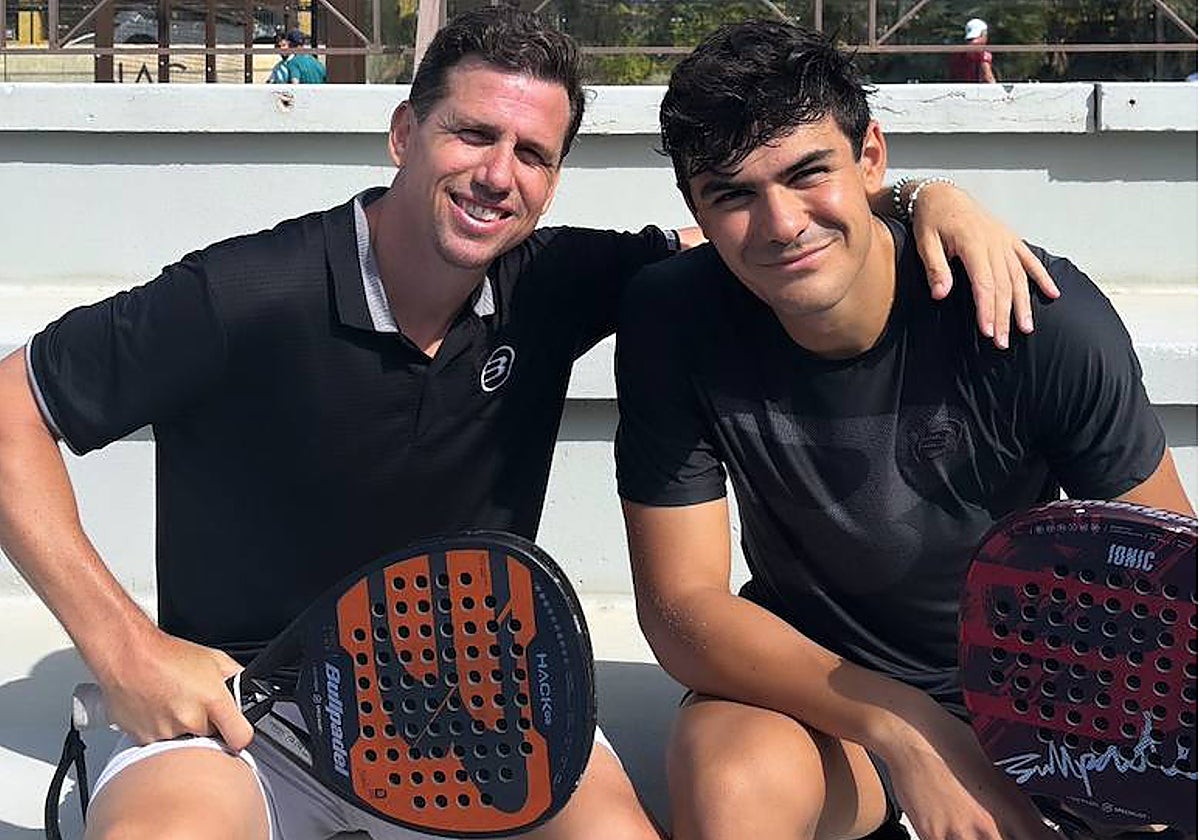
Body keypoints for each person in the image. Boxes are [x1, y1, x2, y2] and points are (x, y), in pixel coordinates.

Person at [0, 7, 1054, 840]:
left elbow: (756, 232)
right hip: (247, 705)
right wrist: (125, 646)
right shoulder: (248, 291)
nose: (499, 174)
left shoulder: (556, 280)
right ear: (405, 132)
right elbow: (10, 405)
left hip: (477, 694)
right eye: (472, 132)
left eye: (535, 153)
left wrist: (926, 201)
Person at [616, 19, 1193, 840]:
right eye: (733, 194)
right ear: (696, 211)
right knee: (732, 776)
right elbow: (681, 607)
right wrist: (908, 727)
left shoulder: (1033, 315)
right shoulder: (670, 314)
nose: (780, 225)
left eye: (809, 172)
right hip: (820, 693)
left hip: (1037, 694)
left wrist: (1074, 761)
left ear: (872, 158)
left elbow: (1171, 585)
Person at [950, 18, 997, 84]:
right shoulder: (982, 52)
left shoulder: (958, 52)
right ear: (983, 34)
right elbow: (988, 78)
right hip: (975, 92)